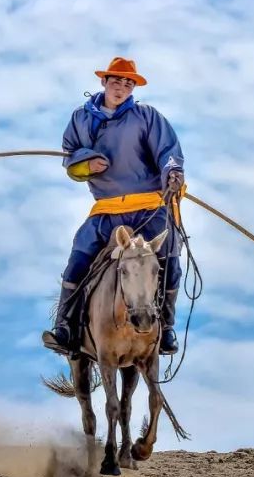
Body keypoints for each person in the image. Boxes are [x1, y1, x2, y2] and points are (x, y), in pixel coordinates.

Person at [43, 57, 184, 356]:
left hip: (149, 206)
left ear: (133, 88)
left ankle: (167, 327)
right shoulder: (80, 119)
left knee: (169, 255)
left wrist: (172, 173)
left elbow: (168, 152)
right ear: (104, 82)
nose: (122, 87)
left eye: (128, 83)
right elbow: (70, 160)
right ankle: (65, 327)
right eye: (116, 81)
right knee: (79, 255)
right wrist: (86, 162)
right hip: (106, 208)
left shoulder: (147, 117)